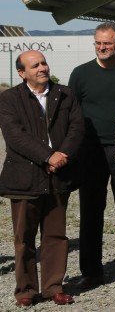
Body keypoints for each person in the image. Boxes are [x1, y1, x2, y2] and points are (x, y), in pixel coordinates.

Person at [0, 51, 83, 307]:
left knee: (56, 236)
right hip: (25, 176)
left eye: (44, 63)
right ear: (22, 73)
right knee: (24, 237)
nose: (42, 68)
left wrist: (62, 155)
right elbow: (15, 136)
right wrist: (48, 156)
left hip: (59, 176)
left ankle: (53, 287)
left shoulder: (65, 94)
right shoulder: (10, 99)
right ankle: (26, 290)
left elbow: (77, 127)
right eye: (35, 65)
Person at [69, 21, 115, 289]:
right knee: (91, 211)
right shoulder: (80, 74)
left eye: (107, 43)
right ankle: (91, 271)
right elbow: (72, 114)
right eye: (98, 43)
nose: (102, 47)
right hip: (89, 151)